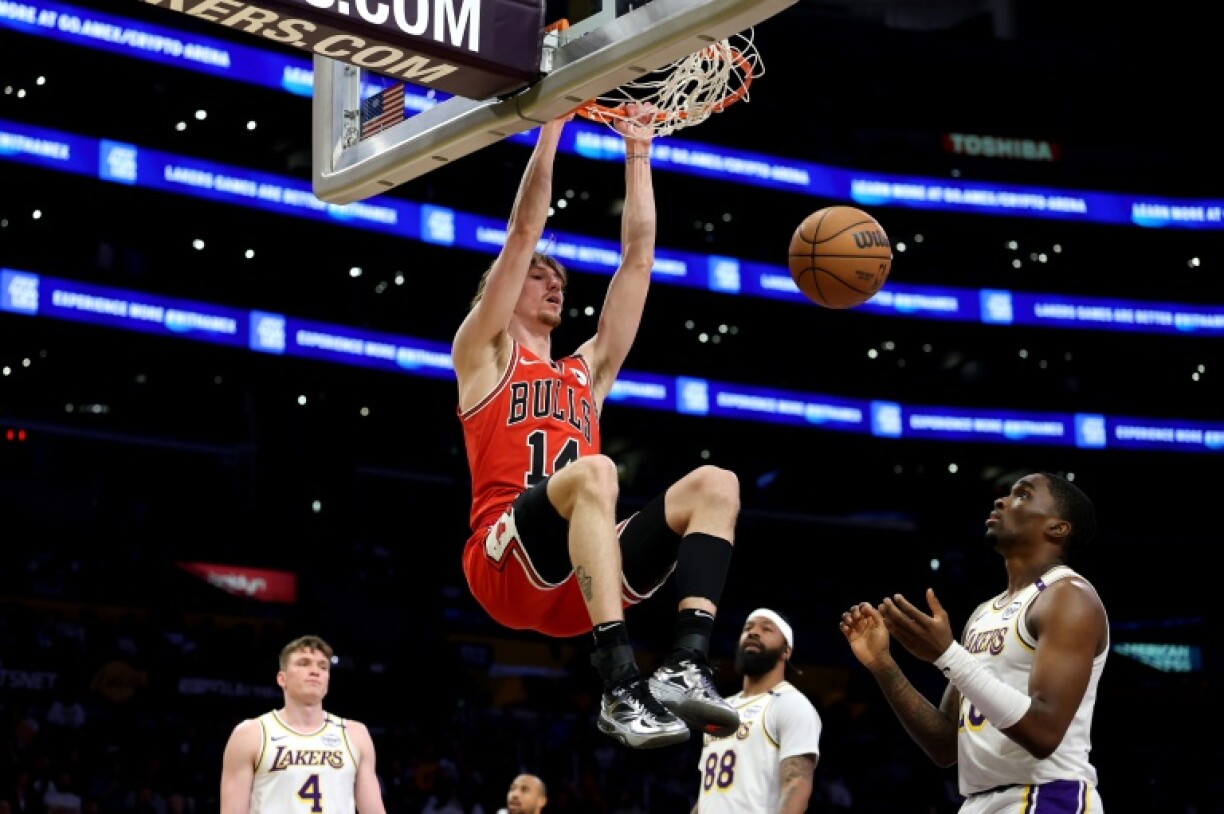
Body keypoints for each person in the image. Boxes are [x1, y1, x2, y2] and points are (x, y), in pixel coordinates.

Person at [451, 107, 741, 750]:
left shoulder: (588, 372)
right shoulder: (483, 351)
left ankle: (686, 664)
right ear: (496, 291)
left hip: (584, 579)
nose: (554, 282)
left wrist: (638, 151)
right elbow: (525, 230)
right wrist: (551, 125)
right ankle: (617, 680)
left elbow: (637, 262)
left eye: (559, 278)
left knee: (715, 485)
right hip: (505, 563)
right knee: (597, 471)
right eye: (538, 275)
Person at [839, 471, 1108, 813]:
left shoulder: (1069, 597)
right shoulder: (984, 613)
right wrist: (883, 665)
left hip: (1046, 795)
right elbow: (945, 745)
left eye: (1022, 495)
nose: (1002, 500)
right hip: (980, 801)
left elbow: (1043, 733)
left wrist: (948, 655)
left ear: (1057, 528)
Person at [219, 635, 386, 814]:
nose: (315, 671)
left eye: (323, 667)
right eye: (304, 663)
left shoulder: (355, 734)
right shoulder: (251, 734)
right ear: (282, 679)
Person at [693, 608, 822, 814]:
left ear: (786, 650)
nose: (753, 632)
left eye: (767, 629)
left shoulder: (791, 703)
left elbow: (797, 784)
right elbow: (709, 795)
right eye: (748, 628)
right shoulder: (719, 710)